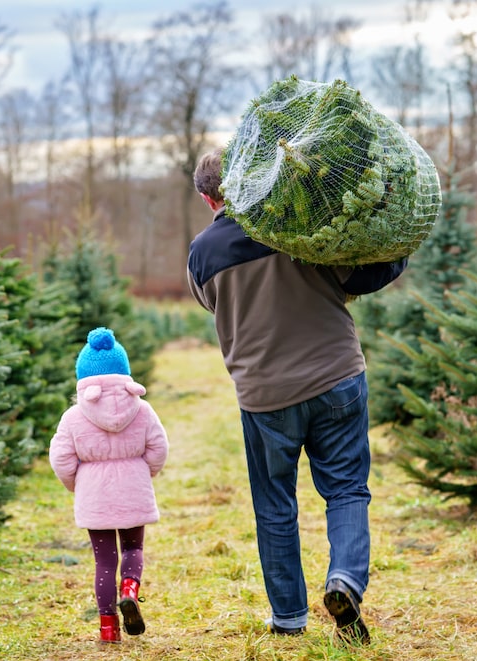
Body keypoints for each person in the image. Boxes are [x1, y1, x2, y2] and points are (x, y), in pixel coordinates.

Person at [188, 148, 407, 644]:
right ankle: (346, 580)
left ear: (208, 198)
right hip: (337, 379)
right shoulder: (293, 226)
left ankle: (288, 618)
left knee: (274, 505)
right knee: (347, 489)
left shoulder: (201, 254)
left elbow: (211, 305)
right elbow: (363, 277)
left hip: (265, 398)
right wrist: (398, 247)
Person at [49, 327, 169, 644]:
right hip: (134, 491)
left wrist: (77, 484)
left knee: (104, 562)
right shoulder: (143, 410)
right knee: (134, 548)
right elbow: (159, 448)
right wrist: (147, 473)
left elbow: (61, 459)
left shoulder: (73, 416)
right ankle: (129, 589)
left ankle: (108, 629)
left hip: (94, 495)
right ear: (125, 373)